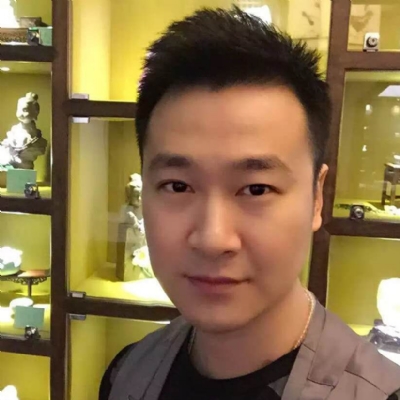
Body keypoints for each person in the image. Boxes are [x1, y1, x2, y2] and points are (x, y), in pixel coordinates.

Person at [100, 7, 400, 400]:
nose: (213, 239)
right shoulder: (128, 374)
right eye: (178, 186)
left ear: (316, 198)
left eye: (256, 189)